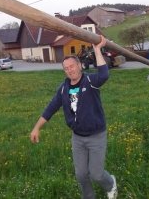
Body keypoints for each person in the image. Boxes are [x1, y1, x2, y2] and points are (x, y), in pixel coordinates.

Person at [30, 35, 118, 199]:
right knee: (81, 175)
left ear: (80, 66)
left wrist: (97, 49)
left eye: (72, 66)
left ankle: (111, 183)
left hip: (96, 136)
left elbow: (104, 74)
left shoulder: (90, 81)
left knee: (97, 174)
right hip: (77, 138)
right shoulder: (63, 89)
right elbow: (51, 108)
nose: (70, 70)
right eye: (66, 68)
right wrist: (36, 127)